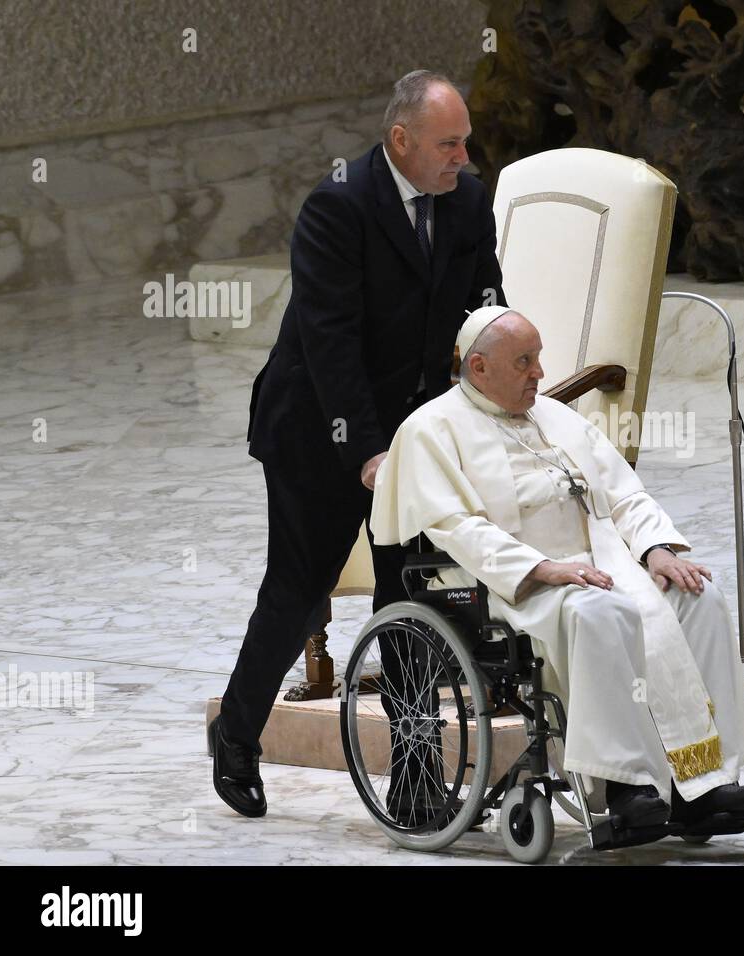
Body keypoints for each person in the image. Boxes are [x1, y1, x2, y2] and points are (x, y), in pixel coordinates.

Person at [210, 70, 505, 817]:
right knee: (299, 590)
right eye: (449, 143)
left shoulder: (468, 201)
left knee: (409, 596)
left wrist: (503, 387)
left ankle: (413, 779)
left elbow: (486, 307)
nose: (463, 157)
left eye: (465, 141)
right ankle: (238, 735)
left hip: (410, 429)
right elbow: (330, 344)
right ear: (400, 140)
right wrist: (367, 453)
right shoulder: (337, 206)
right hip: (317, 427)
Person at [369, 306, 744, 828]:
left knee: (699, 599)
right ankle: (626, 788)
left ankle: (704, 782)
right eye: (524, 362)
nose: (539, 373)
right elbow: (457, 527)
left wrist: (656, 550)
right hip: (505, 581)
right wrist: (542, 568)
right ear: (479, 367)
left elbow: (624, 493)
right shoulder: (430, 429)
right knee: (600, 615)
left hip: (604, 562)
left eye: (537, 359)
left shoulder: (556, 416)